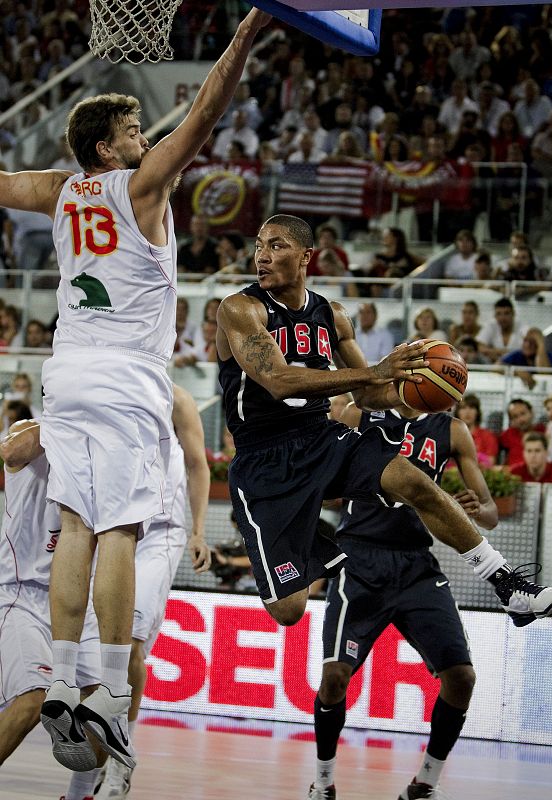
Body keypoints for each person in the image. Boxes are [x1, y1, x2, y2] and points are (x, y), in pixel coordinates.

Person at [0, 6, 271, 773]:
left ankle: (63, 678)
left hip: (66, 374)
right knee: (119, 527)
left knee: (77, 524)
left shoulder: (58, 191)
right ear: (106, 148)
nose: (145, 139)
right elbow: (205, 114)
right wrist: (244, 36)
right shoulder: (141, 186)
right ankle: (112, 691)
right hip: (125, 376)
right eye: (132, 131)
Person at [215, 213, 552, 629]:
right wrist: (375, 372)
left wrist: (414, 387)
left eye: (276, 246)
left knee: (415, 480)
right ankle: (303, 540)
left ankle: (509, 586)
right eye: (259, 246)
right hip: (264, 460)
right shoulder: (240, 308)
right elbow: (278, 381)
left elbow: (368, 396)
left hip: (320, 437)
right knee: (289, 610)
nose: (262, 256)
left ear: (306, 256)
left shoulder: (333, 315)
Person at [308, 400, 497, 800]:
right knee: (335, 677)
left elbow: (491, 513)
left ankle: (425, 783)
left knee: (461, 677)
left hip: (416, 564)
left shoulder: (452, 430)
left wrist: (477, 509)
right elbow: (322, 484)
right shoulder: (358, 414)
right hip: (359, 557)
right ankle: (323, 782)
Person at [94, 384, 211, 798]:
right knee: (99, 652)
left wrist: (198, 531)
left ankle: (121, 755)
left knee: (128, 643)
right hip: (110, 526)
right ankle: (95, 762)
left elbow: (198, 465)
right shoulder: (106, 389)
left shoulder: (176, 398)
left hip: (160, 532)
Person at [0, 419, 104, 800]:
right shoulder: (33, 429)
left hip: (79, 598)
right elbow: (10, 452)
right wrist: (66, 420)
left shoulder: (104, 443)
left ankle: (79, 795)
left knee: (104, 708)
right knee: (32, 702)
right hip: (23, 594)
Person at [454, 393, 499, 467]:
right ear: (457, 412)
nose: (467, 412)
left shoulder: (488, 436)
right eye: (463, 408)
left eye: (471, 407)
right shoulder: (451, 436)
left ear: (477, 412)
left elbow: (490, 462)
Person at [476, 297, 526, 363]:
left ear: (513, 314)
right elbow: (479, 347)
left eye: (506, 313)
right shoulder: (491, 326)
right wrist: (507, 353)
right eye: (499, 314)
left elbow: (526, 351)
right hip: (495, 365)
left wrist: (494, 352)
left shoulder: (521, 327)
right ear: (495, 316)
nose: (502, 318)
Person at [499, 398, 546, 467]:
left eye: (523, 414)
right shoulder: (507, 435)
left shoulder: (543, 432)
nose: (521, 419)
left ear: (531, 413)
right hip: (512, 472)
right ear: (511, 421)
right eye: (515, 417)